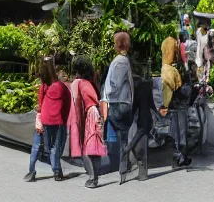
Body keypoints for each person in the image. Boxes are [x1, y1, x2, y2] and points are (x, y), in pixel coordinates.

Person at [25, 57, 70, 183]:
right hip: (58, 120)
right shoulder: (61, 87)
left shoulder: (43, 86)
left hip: (44, 119)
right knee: (55, 147)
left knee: (39, 146)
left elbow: (40, 103)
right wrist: (64, 119)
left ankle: (31, 171)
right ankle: (57, 172)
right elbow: (67, 104)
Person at [101, 31, 137, 185]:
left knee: (121, 138)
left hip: (118, 103)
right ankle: (123, 166)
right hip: (123, 103)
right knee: (121, 137)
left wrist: (106, 93)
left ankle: (122, 168)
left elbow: (114, 84)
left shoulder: (120, 61)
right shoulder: (124, 60)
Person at [67, 56, 105, 189]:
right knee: (95, 146)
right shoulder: (90, 83)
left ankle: (93, 178)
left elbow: (76, 103)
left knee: (89, 148)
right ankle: (95, 176)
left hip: (90, 115)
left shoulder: (79, 83)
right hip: (96, 113)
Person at [160, 37, 191, 167]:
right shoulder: (172, 68)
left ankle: (180, 156)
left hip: (177, 106)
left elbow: (168, 90)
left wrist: (164, 105)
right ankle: (180, 156)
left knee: (178, 131)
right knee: (180, 131)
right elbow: (169, 89)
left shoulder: (168, 68)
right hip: (179, 106)